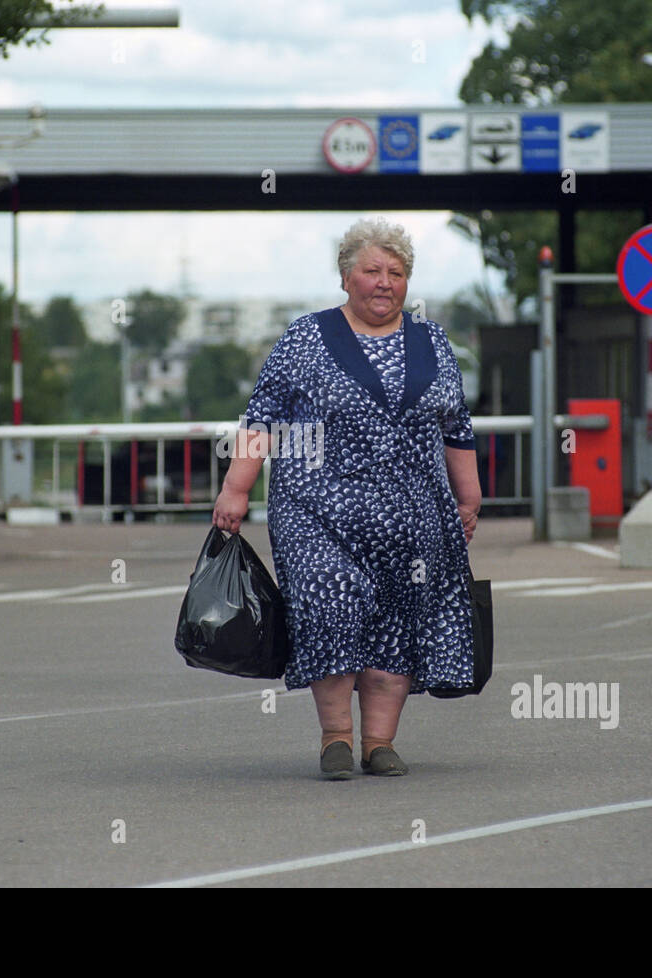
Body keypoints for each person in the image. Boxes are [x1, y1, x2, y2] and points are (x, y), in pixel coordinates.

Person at [212, 218, 482, 779]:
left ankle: (379, 742)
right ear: (345, 277)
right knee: (328, 604)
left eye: (397, 272)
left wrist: (469, 498)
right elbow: (261, 418)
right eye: (371, 270)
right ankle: (336, 737)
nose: (384, 282)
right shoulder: (306, 338)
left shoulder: (431, 340)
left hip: (414, 515)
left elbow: (456, 425)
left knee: (399, 621)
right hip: (317, 511)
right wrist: (236, 488)